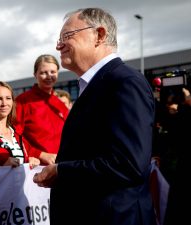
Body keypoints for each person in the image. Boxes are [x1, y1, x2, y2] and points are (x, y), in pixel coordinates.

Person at [33, 8, 156, 225]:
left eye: (66, 36)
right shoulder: (95, 86)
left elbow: (128, 164)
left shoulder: (124, 82)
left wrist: (61, 171)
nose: (58, 45)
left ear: (99, 35)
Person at [15, 54, 69, 165]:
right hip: (36, 167)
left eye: (53, 72)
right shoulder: (22, 101)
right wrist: (39, 154)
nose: (49, 76)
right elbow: (13, 135)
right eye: (43, 72)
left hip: (61, 166)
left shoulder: (60, 105)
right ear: (35, 74)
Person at [0, 81, 40, 168]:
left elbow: (28, 156)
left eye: (8, 98)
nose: (4, 103)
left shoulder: (17, 132)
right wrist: (4, 166)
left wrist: (30, 160)